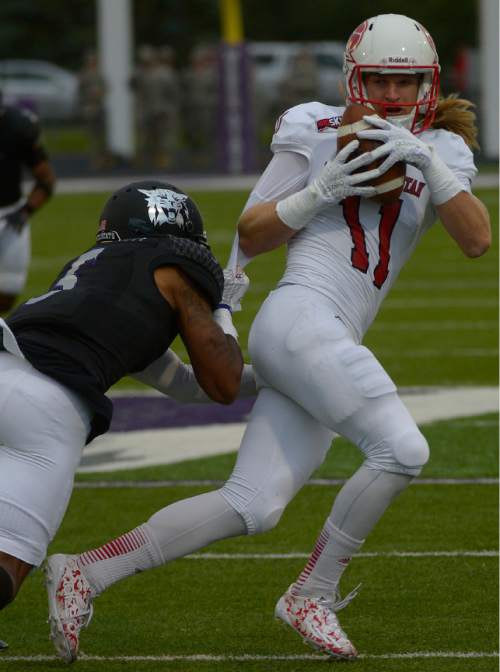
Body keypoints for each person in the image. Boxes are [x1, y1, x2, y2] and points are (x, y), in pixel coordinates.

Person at [43, 13, 491, 662]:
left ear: (428, 83)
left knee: (252, 505)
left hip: (327, 332)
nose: (393, 95)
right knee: (403, 450)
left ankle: (86, 570)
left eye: (406, 81)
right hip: (299, 318)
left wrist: (429, 161)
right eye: (379, 79)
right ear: (352, 79)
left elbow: (477, 240)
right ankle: (313, 591)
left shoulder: (444, 148)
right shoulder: (313, 126)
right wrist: (318, 193)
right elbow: (252, 231)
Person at [0, 180, 253, 659]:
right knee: (6, 567)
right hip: (46, 405)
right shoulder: (176, 268)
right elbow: (222, 383)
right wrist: (222, 310)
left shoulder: (99, 275)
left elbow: (183, 383)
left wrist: (284, 382)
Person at [0, 95, 56, 313]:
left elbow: (46, 180)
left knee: (7, 294)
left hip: (11, 212)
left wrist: (25, 212)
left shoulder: (17, 128)